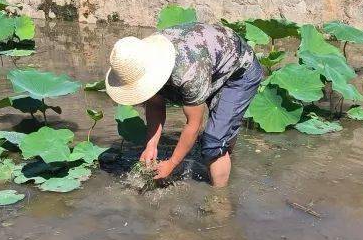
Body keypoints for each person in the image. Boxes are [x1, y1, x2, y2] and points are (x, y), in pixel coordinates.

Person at [105, 22, 264, 187]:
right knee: (219, 137)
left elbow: (194, 125)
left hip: (239, 72)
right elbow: (155, 104)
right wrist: (151, 145)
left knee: (214, 143)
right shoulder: (140, 58)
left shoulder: (187, 73)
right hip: (211, 63)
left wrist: (172, 164)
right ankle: (223, 151)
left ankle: (220, 202)